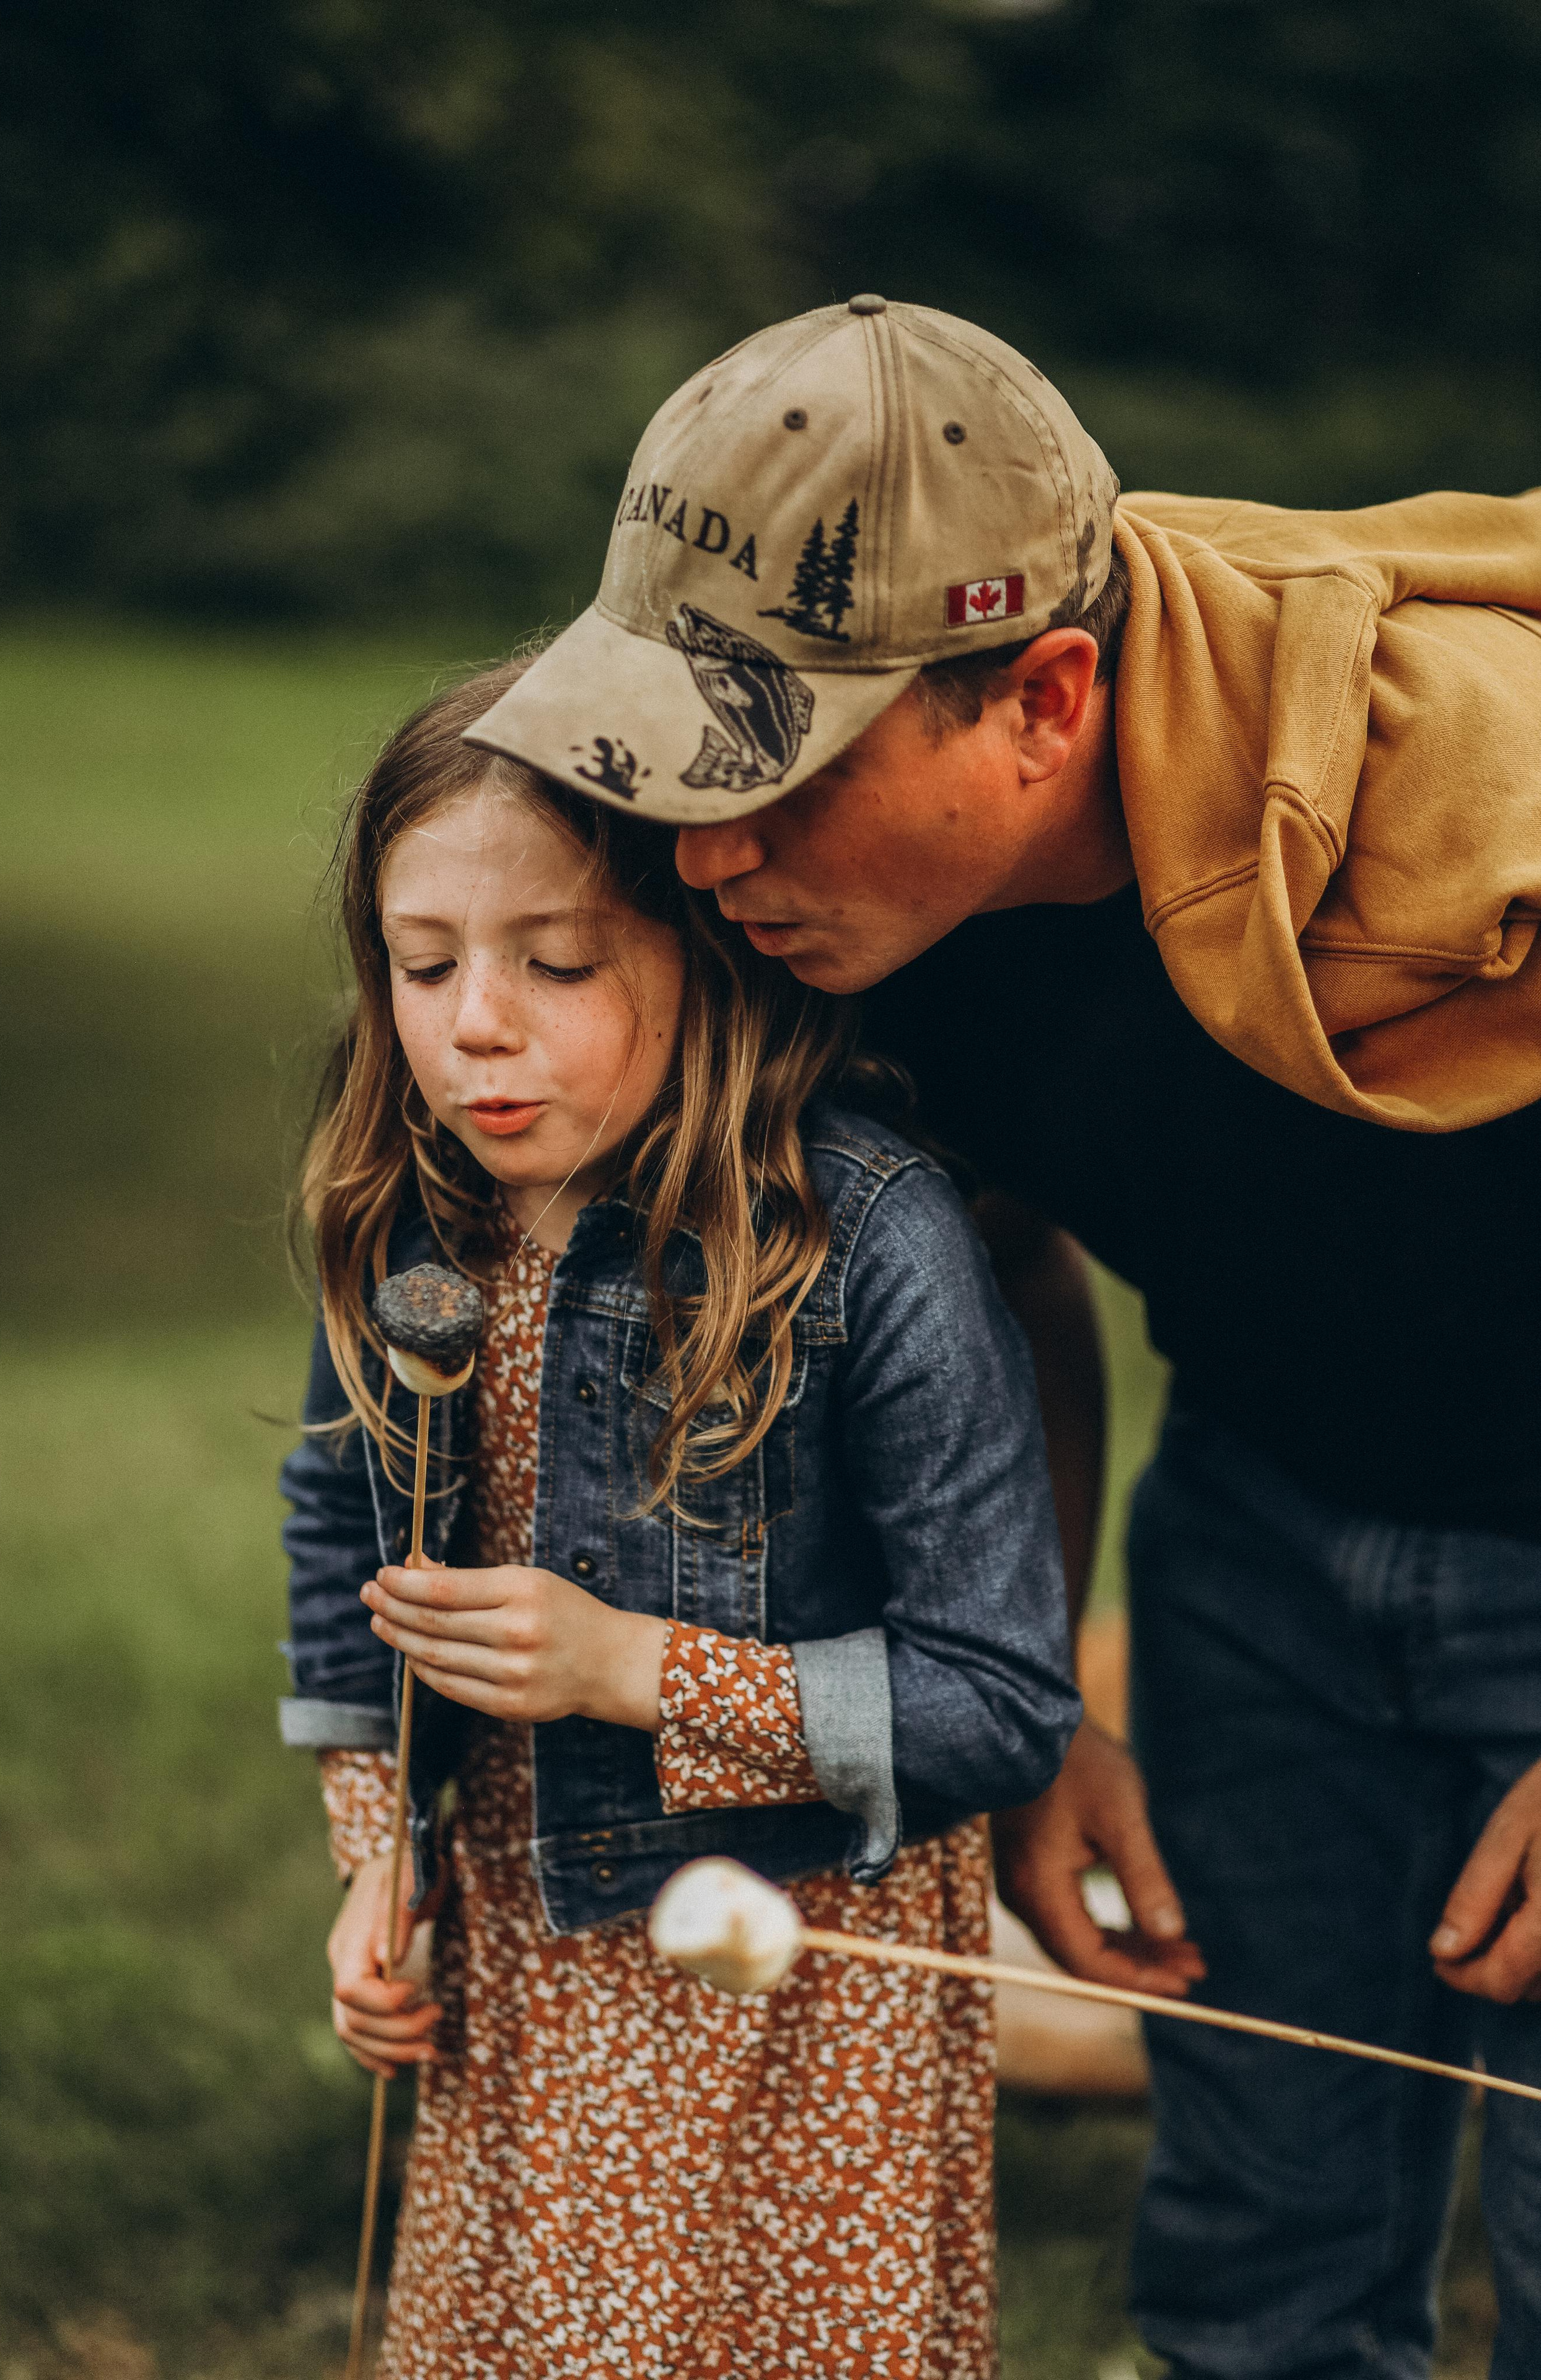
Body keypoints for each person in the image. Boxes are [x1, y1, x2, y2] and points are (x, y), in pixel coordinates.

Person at [463, 297, 1541, 2380]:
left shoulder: (1470, 820)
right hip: (1257, 1538)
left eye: (768, 772)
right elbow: (1005, 1261)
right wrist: (1029, 1699)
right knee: (1254, 2256)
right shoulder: (852, 920)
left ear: (1043, 701)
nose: (707, 855)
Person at [276, 658, 1080, 2378]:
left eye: (554, 963)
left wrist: (635, 1665)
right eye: (424, 966)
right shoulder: (410, 1214)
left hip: (795, 1991)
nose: (474, 1021)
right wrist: (378, 1853)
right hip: (522, 1947)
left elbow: (1001, 1701)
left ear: (704, 956)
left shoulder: (869, 1242)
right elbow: (344, 1540)